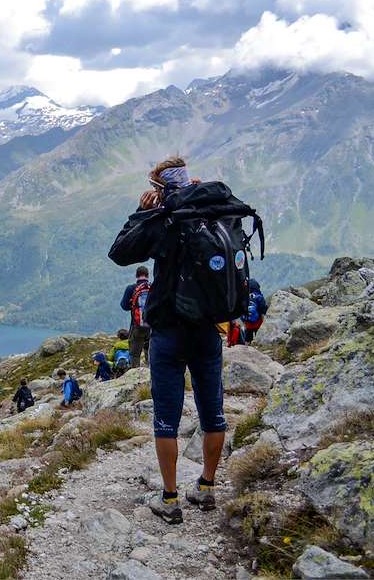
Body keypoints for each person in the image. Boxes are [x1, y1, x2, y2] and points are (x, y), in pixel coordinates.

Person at [109, 156, 263, 525]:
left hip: (168, 333)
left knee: (167, 417)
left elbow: (120, 253)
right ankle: (207, 488)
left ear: (160, 187)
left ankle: (170, 498)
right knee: (213, 412)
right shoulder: (216, 214)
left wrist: (142, 212)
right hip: (210, 330)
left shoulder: (167, 220)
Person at [121, 266, 152, 366]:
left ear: (136, 276)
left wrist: (134, 306)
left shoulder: (131, 288)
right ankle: (150, 372)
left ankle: (135, 374)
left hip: (137, 325)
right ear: (147, 275)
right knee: (151, 350)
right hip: (152, 325)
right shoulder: (153, 287)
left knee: (135, 354)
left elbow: (124, 306)